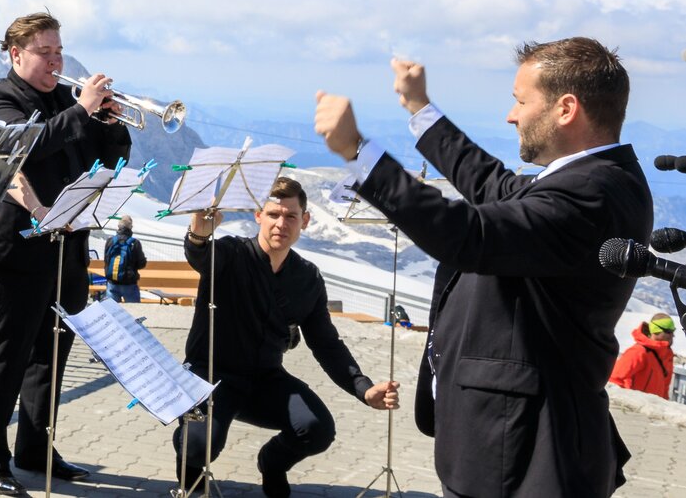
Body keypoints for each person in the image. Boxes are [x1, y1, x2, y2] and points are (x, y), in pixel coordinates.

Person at [316, 40, 653, 496]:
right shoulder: (591, 179)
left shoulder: (589, 195)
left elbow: (469, 236)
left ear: (566, 109)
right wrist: (419, 107)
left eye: (520, 101)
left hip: (523, 455)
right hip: (509, 444)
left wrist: (359, 152)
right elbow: (491, 183)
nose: (510, 116)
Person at [0, 12, 130, 493]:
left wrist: (110, 124)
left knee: (52, 353)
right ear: (17, 54)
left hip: (70, 245)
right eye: (45, 52)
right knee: (7, 354)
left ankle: (36, 447)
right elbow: (27, 149)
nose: (56, 60)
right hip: (19, 247)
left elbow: (110, 160)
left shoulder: (67, 100)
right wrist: (81, 111)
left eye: (59, 51)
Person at [171, 178, 400, 498]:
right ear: (258, 216)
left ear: (304, 220)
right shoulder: (230, 254)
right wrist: (198, 233)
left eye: (291, 216)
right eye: (274, 214)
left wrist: (363, 388)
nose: (281, 223)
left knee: (318, 429)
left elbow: (326, 343)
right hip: (212, 377)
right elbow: (199, 254)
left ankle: (272, 463)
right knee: (198, 445)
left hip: (265, 379)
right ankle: (191, 467)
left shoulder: (307, 277)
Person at [609, 314, 675, 398]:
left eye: (673, 331)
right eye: (669, 332)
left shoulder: (667, 356)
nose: (672, 335)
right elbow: (614, 380)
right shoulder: (639, 352)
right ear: (656, 331)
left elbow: (665, 389)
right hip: (635, 409)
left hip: (653, 409)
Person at [102, 216, 146, 304]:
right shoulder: (134, 243)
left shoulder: (110, 241)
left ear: (118, 227)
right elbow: (141, 264)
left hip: (112, 282)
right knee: (134, 311)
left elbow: (106, 260)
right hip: (129, 283)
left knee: (113, 311)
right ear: (130, 227)